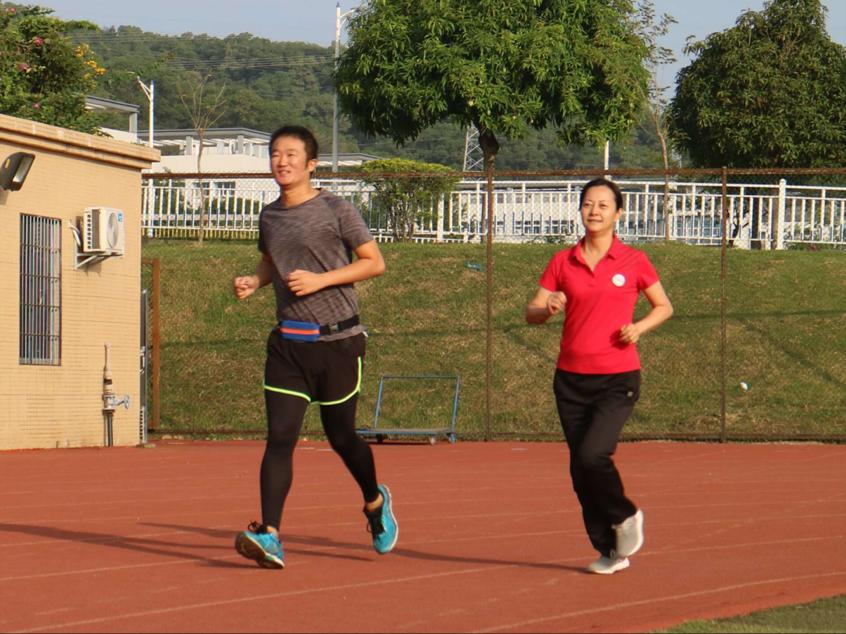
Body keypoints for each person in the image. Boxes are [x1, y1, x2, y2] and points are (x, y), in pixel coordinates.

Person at [231, 124, 397, 569]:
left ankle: (374, 502)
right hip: (288, 345)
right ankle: (270, 535)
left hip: (338, 342)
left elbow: (374, 263)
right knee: (280, 437)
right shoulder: (269, 216)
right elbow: (271, 263)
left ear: (311, 164)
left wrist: (321, 280)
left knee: (341, 437)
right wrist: (255, 281)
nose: (281, 161)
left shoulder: (336, 209)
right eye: (275, 154)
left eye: (290, 154)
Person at [525, 177, 672, 575]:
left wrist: (638, 328)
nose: (594, 211)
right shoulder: (563, 261)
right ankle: (610, 550)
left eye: (603, 205)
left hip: (617, 379)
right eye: (588, 204)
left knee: (593, 455)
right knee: (580, 470)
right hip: (570, 381)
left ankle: (625, 515)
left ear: (618, 214)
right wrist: (547, 308)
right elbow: (531, 312)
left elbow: (664, 306)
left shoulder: (634, 260)